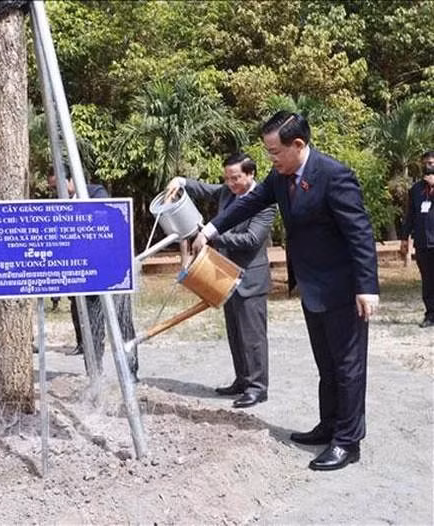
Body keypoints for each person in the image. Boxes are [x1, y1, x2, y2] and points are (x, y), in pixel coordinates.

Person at [193, 112, 379, 471]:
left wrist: (367, 287)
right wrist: (212, 228)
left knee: (349, 367)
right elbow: (249, 202)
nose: (271, 159)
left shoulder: (333, 175)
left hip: (343, 289)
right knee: (327, 365)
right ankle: (329, 426)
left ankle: (348, 441)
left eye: (275, 152)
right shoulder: (280, 178)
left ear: (298, 145)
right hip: (312, 287)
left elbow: (360, 234)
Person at [166, 153, 276, 408]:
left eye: (236, 178)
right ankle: (242, 380)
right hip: (223, 275)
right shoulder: (227, 192)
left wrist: (211, 236)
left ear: (250, 174)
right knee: (235, 333)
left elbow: (251, 240)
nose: (231, 183)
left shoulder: (265, 202)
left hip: (250, 278)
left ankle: (258, 388)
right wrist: (180, 181)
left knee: (253, 337)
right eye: (227, 178)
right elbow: (203, 189)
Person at [47, 168, 139, 382]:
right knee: (91, 328)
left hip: (112, 272)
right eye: (51, 189)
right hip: (85, 276)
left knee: (123, 323)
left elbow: (101, 219)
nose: (54, 192)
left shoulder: (96, 193)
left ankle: (131, 372)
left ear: (69, 180)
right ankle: (94, 375)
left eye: (56, 187)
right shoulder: (57, 206)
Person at [400, 150, 434, 328]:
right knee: (428, 281)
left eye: (432, 163)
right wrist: (404, 238)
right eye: (426, 163)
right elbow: (410, 216)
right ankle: (430, 314)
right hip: (423, 243)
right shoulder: (416, 189)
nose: (428, 167)